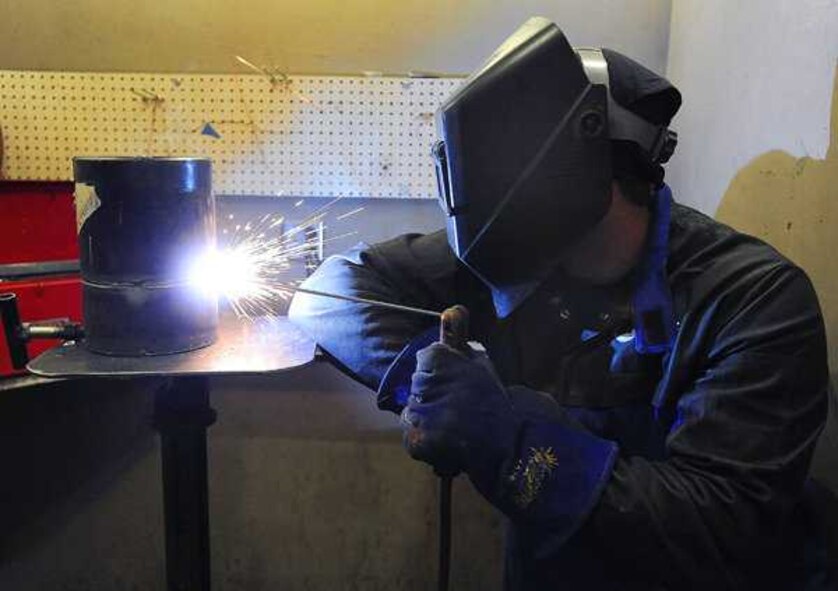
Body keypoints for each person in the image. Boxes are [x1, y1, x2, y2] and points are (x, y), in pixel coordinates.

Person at [289, 17, 832, 590]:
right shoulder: (508, 257)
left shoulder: (756, 300)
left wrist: (509, 435)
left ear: (576, 156)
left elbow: (715, 526)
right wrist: (437, 386)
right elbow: (327, 296)